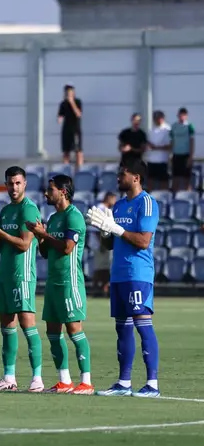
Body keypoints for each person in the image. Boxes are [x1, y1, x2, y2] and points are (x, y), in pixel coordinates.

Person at [87, 159, 161, 398]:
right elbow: (110, 244)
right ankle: (124, 382)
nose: (118, 178)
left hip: (138, 273)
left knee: (143, 324)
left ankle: (152, 384)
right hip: (118, 274)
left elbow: (143, 241)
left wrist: (117, 229)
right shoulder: (118, 206)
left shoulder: (147, 203)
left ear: (136, 177)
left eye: (122, 174)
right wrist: (105, 231)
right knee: (122, 329)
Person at [26, 175, 93, 394]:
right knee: (53, 331)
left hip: (69, 282)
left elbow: (66, 248)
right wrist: (39, 236)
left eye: (50, 189)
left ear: (63, 191)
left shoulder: (73, 217)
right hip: (53, 283)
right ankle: (64, 381)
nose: (46, 193)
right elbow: (45, 252)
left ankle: (86, 381)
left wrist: (44, 234)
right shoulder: (54, 218)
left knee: (74, 330)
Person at [0, 166, 44, 392]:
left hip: (22, 275)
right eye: (10, 183)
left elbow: (25, 244)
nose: (13, 187)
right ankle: (9, 378)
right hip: (6, 274)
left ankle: (37, 378)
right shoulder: (5, 210)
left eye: (17, 183)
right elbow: (2, 247)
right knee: (6, 325)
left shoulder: (29, 209)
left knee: (27, 324)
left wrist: (1, 232)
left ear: (25, 184)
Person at [90, 192, 118, 297]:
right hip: (99, 243)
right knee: (100, 267)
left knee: (105, 267)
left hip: (105, 241)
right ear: (109, 198)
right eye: (113, 199)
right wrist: (102, 243)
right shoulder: (101, 209)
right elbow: (97, 228)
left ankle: (103, 289)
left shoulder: (106, 209)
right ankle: (95, 289)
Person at [58, 84, 84, 168]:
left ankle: (79, 169)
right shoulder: (63, 104)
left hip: (75, 130)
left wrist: (72, 102)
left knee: (78, 151)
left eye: (70, 92)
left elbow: (79, 114)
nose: (68, 94)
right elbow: (60, 115)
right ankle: (66, 169)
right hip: (66, 129)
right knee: (66, 151)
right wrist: (60, 118)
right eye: (67, 93)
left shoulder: (78, 102)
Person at [145, 110, 171, 191]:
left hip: (163, 160)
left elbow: (170, 145)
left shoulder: (167, 129)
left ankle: (163, 197)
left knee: (163, 181)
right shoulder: (151, 130)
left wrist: (156, 148)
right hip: (151, 160)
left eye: (159, 118)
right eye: (155, 118)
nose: (157, 120)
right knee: (150, 180)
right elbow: (147, 142)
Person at [171, 107, 196, 191]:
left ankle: (187, 196)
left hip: (186, 155)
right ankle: (174, 200)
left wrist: (191, 157)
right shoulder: (174, 126)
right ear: (178, 115)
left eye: (184, 115)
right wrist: (170, 154)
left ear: (186, 116)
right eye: (180, 115)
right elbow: (172, 141)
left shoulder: (190, 126)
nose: (181, 117)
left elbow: (192, 141)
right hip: (176, 155)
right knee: (175, 179)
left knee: (186, 180)